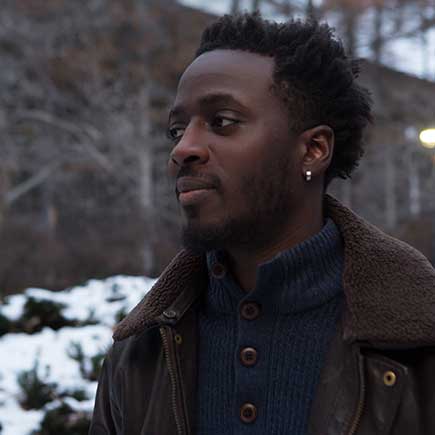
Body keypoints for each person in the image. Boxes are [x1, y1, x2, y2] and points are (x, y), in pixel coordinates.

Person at [89, 12, 435, 435]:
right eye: (177, 130)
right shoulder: (141, 353)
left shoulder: (419, 343)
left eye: (222, 122)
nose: (184, 149)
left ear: (313, 149)